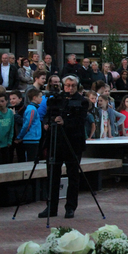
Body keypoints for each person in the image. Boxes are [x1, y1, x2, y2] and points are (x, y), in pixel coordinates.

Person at [38, 76, 89, 219]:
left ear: (77, 86)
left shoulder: (82, 101)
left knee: (73, 175)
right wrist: (48, 123)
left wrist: (64, 121)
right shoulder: (56, 99)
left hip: (73, 143)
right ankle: (51, 207)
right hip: (56, 142)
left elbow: (80, 121)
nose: (70, 88)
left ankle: (70, 207)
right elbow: (48, 115)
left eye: (73, 85)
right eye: (67, 85)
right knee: (53, 175)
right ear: (63, 85)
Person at [16, 88, 42, 164]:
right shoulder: (31, 109)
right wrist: (20, 136)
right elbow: (27, 124)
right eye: (40, 97)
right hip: (31, 138)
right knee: (31, 160)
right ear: (34, 98)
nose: (41, 99)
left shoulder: (33, 108)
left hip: (34, 137)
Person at [0, 92, 14, 164]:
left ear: (7, 101)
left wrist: (10, 140)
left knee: (7, 161)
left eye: (2, 101)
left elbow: (11, 127)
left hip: (6, 142)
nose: (0, 103)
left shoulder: (10, 112)